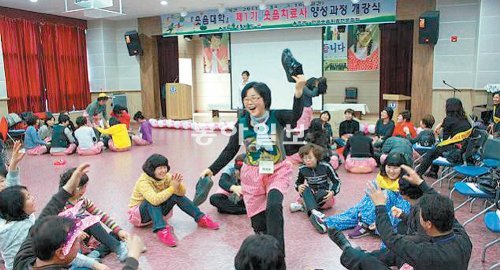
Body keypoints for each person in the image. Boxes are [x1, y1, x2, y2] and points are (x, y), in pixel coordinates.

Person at [198, 74, 306, 254]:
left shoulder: (276, 116)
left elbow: (295, 115)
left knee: (273, 206)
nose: (250, 102)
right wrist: (211, 169)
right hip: (252, 175)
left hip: (276, 171)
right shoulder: (241, 124)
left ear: (265, 100)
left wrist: (298, 91)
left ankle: (278, 259)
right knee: (258, 224)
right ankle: (267, 250)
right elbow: (230, 150)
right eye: (246, 99)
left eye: (255, 98)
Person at [330, 165, 472, 270]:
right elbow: (439, 201)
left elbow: (390, 239)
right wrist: (421, 183)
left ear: (428, 224)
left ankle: (348, 249)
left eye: (420, 214)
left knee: (368, 263)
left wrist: (380, 206)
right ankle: (359, 253)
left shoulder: (426, 253)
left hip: (430, 262)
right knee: (395, 253)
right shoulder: (462, 238)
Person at [12, 164, 144, 270]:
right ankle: (98, 254)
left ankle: (100, 253)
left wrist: (66, 189)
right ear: (60, 253)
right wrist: (133, 258)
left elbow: (45, 217)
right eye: (74, 240)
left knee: (110, 235)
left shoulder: (22, 259)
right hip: (78, 253)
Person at [127, 154, 219, 248]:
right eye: (159, 168)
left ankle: (201, 218)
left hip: (157, 213)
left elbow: (182, 193)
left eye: (164, 167)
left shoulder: (166, 176)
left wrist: (178, 185)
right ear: (151, 169)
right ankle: (161, 230)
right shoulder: (143, 182)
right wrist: (172, 188)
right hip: (140, 216)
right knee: (152, 200)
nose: (163, 170)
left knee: (175, 195)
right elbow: (154, 200)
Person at [311, 152, 411, 238]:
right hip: (374, 212)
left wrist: (381, 222)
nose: (391, 171)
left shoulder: (406, 183)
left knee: (386, 194)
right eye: (389, 167)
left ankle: (365, 224)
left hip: (388, 220)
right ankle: (327, 224)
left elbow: (403, 210)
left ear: (402, 168)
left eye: (395, 168)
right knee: (355, 211)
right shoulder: (382, 177)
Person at [58, 168, 129, 262]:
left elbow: (101, 215)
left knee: (114, 234)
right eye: (80, 188)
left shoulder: (83, 201)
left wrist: (119, 230)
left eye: (85, 186)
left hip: (84, 240)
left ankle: (95, 255)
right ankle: (114, 249)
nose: (83, 190)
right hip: (68, 243)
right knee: (88, 220)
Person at [290, 144, 341, 232]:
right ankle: (314, 212)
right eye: (305, 158)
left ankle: (304, 206)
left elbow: (337, 182)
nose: (307, 160)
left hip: (325, 198)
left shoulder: (326, 166)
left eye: (310, 158)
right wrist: (298, 187)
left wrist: (332, 192)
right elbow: (298, 183)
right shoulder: (302, 169)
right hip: (311, 194)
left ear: (317, 157)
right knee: (305, 188)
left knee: (323, 193)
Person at [416, 98, 472, 178]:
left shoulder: (449, 120)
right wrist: (442, 124)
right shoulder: (465, 119)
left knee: (433, 151)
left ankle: (418, 174)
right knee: (437, 148)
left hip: (454, 151)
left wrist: (438, 134)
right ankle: (432, 171)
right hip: (464, 150)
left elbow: (445, 141)